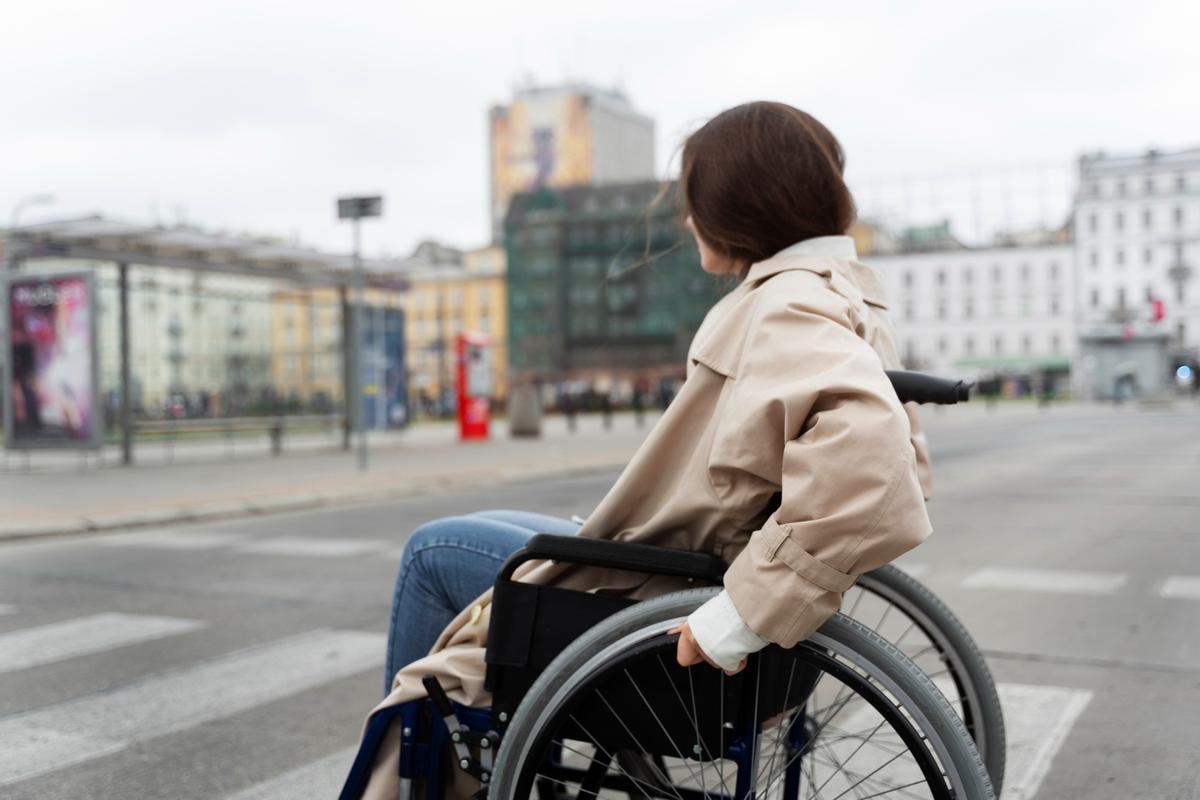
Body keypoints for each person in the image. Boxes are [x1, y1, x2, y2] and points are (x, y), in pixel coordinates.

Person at [351, 101, 934, 797]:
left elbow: (872, 463)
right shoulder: (842, 294)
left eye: (695, 202)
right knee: (509, 532)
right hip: (692, 558)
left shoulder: (787, 305)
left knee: (432, 551)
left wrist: (745, 609)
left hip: (672, 585)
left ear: (739, 206)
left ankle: (430, 771)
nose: (688, 222)